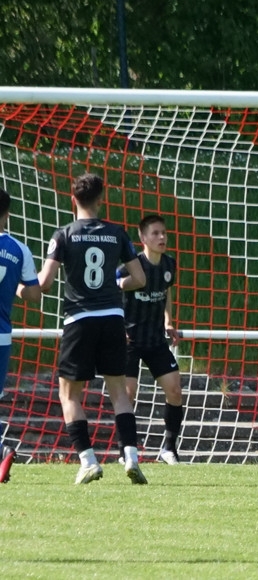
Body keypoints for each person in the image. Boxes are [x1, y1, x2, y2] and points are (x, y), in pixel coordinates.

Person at [37, 173, 148, 485]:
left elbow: (45, 283)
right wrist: (116, 284)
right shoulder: (117, 233)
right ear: (102, 198)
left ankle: (88, 460)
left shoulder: (64, 235)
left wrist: (21, 287)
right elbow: (140, 279)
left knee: (69, 393)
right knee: (118, 391)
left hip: (79, 319)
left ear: (73, 199)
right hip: (113, 317)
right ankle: (131, 456)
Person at [120, 214, 185, 465]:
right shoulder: (131, 266)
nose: (162, 237)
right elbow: (113, 290)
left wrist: (169, 321)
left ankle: (169, 449)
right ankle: (125, 450)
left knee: (175, 390)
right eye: (155, 233)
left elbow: (166, 293)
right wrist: (117, 325)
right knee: (128, 394)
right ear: (143, 238)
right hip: (129, 340)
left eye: (164, 233)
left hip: (155, 339)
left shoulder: (169, 264)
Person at [0, 189, 43, 484]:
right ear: (7, 214)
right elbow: (34, 294)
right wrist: (16, 286)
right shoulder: (19, 249)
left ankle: (1, 450)